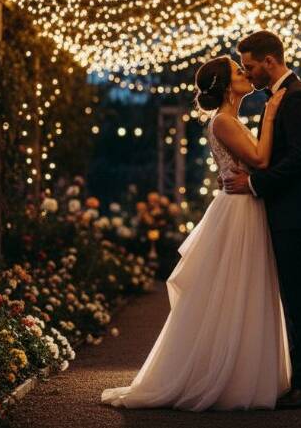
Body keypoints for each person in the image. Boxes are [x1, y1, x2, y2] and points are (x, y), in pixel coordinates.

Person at [101, 54, 291, 411]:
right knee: (233, 288)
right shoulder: (223, 122)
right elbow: (262, 160)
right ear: (225, 84)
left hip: (243, 205)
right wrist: (270, 114)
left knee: (242, 288)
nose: (246, 73)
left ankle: (244, 370)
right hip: (237, 210)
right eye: (238, 71)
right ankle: (223, 374)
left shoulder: (231, 119)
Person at [223, 30, 301, 409]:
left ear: (270, 61)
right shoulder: (280, 97)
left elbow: (298, 160)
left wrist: (253, 183)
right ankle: (298, 381)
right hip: (286, 211)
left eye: (250, 66)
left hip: (296, 213)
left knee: (300, 299)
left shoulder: (297, 98)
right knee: (291, 296)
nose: (248, 74)